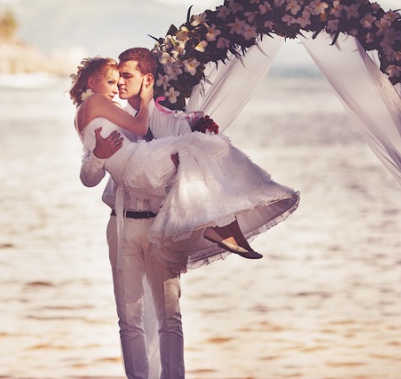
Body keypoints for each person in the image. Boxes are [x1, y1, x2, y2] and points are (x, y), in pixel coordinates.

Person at [75, 49, 299, 379]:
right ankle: (220, 225)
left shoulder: (173, 120)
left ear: (146, 80)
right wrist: (97, 154)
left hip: (162, 224)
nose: (119, 83)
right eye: (116, 78)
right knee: (129, 315)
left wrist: (197, 129)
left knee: (170, 315)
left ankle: (222, 222)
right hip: (122, 226)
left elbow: (187, 154)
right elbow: (88, 176)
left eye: (125, 77)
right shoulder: (112, 114)